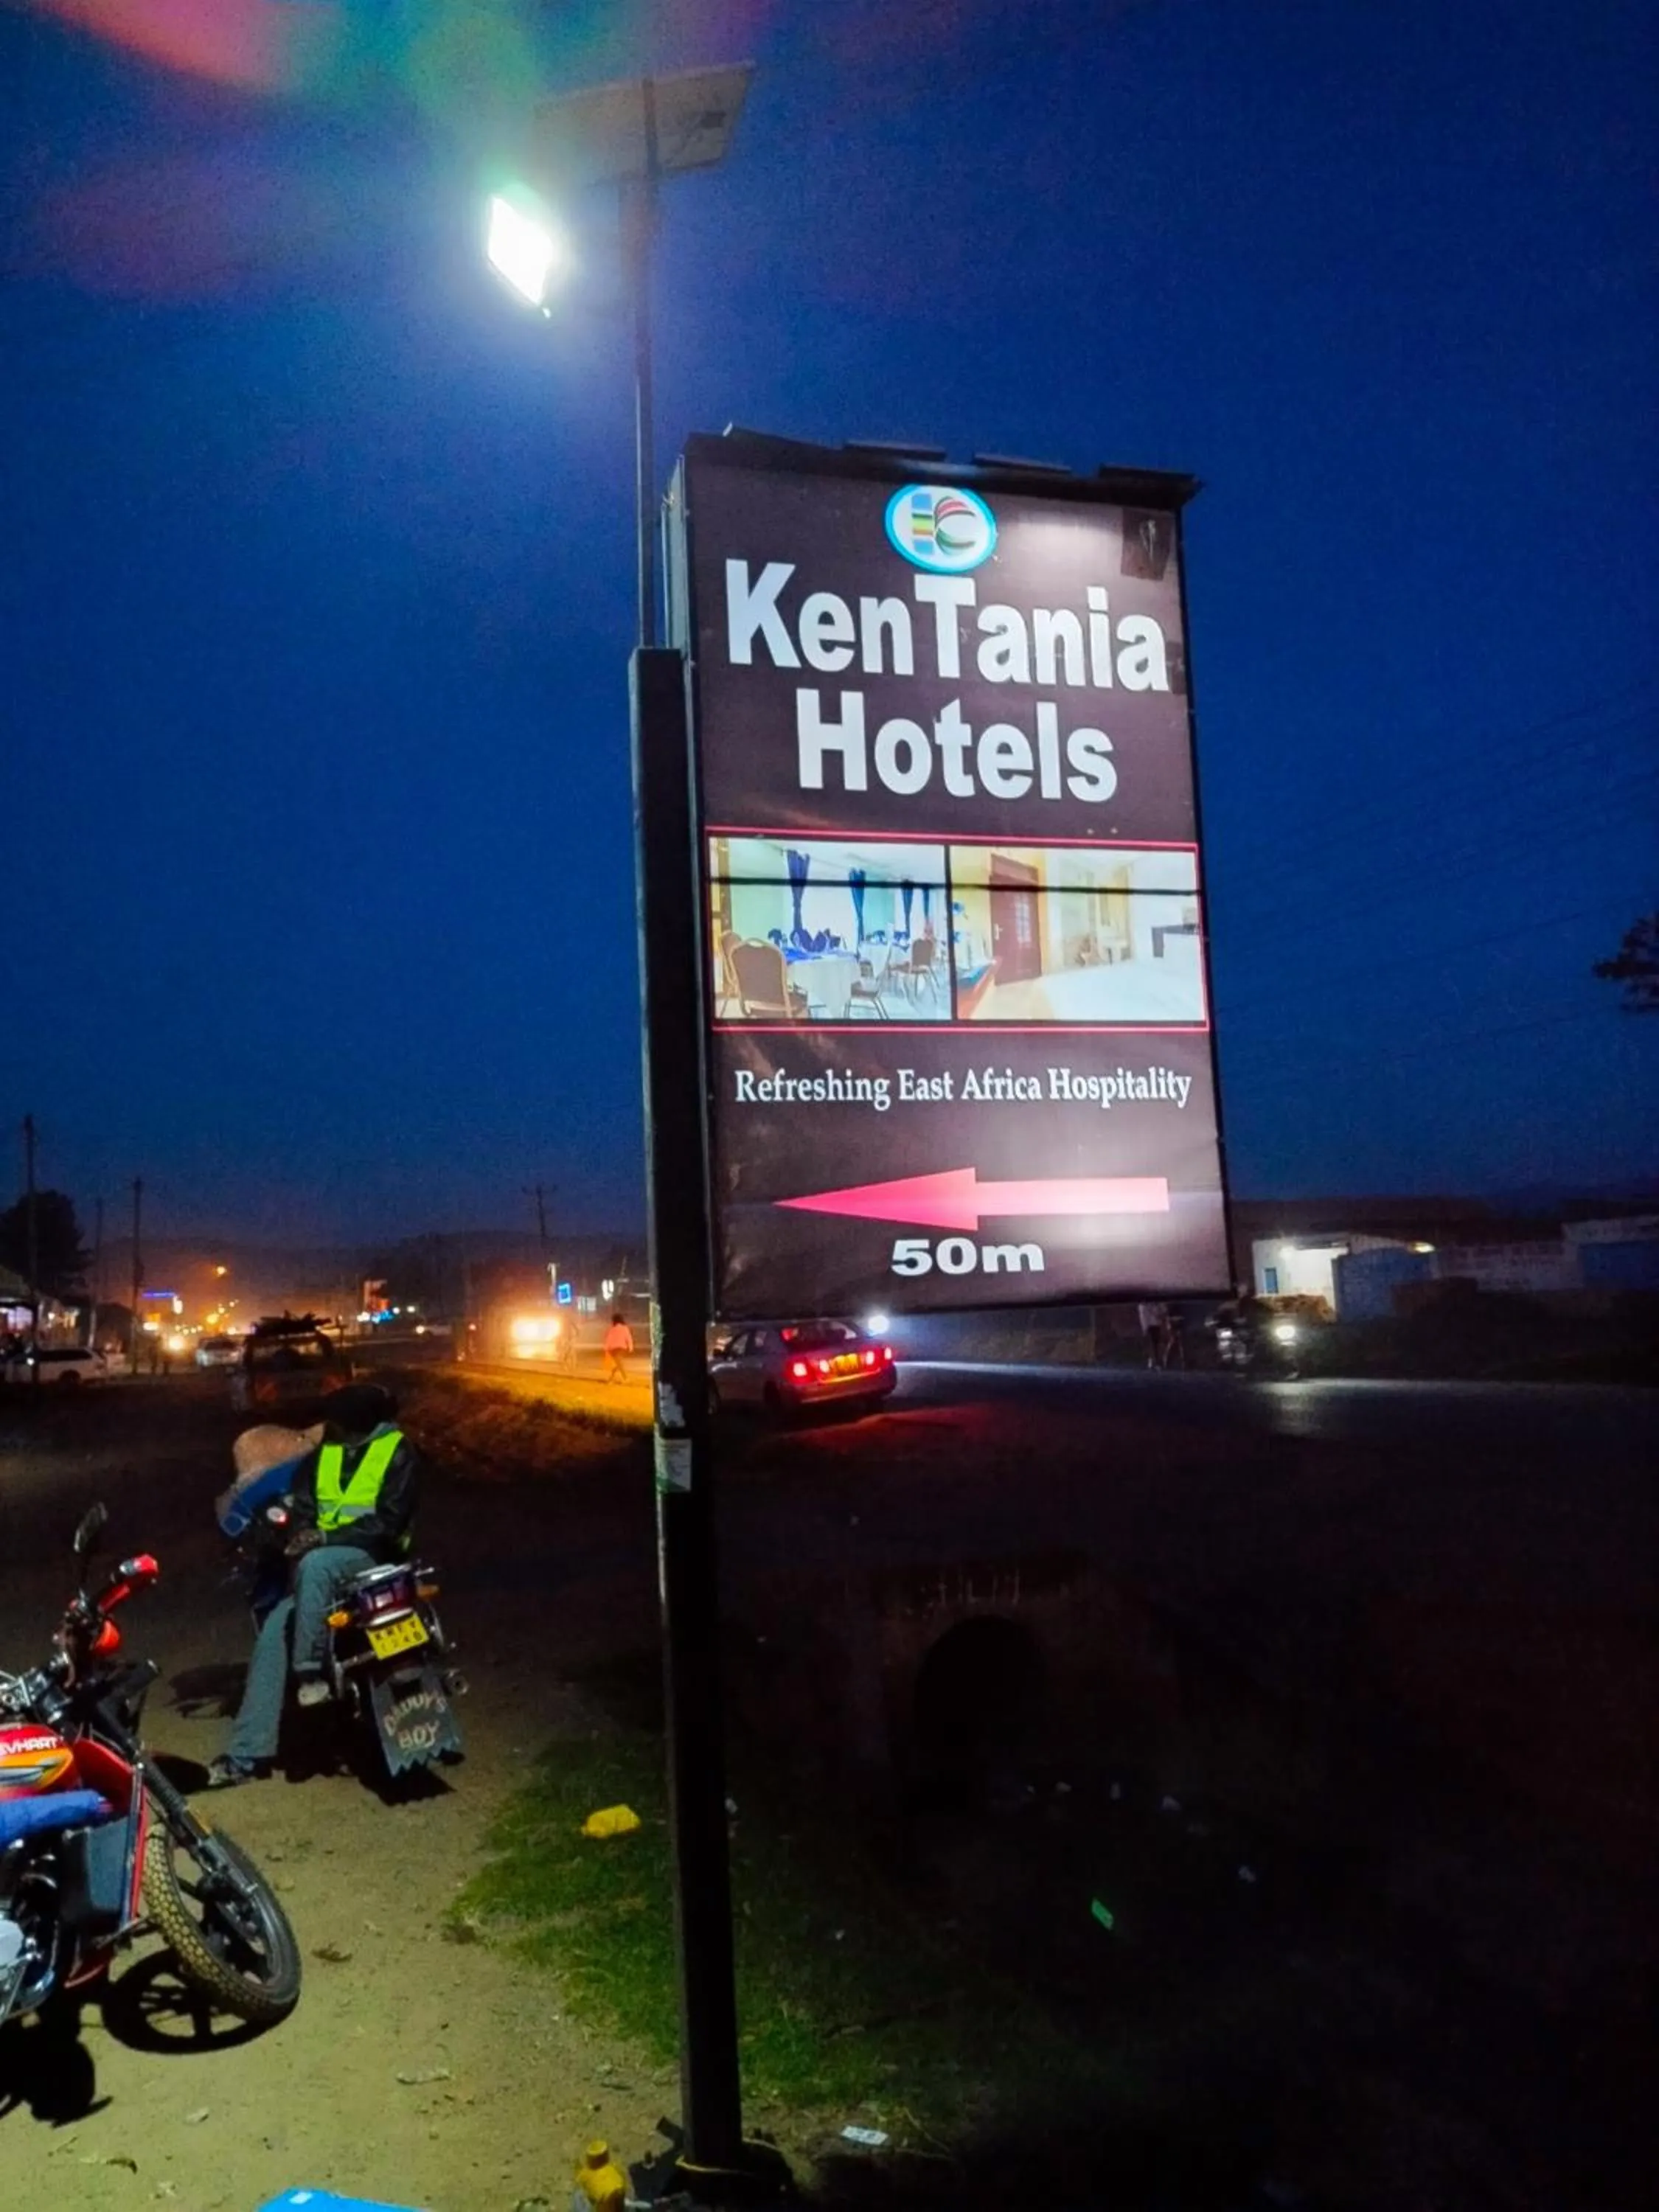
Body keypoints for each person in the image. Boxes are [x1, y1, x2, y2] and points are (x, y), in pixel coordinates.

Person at [207, 1384, 418, 1787]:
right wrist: (294, 1529)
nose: (330, 1426)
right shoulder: (330, 1453)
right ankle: (247, 1754)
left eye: (339, 1418)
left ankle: (310, 1676)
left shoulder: (399, 1452)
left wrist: (322, 1540)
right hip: (326, 1567)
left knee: (315, 1566)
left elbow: (389, 1523)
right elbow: (303, 1503)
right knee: (272, 1635)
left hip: (373, 1558)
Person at [602, 1311, 634, 1383]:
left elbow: (608, 1339)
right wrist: (630, 1347)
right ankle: (612, 1379)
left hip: (614, 1349)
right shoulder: (625, 1328)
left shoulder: (612, 1329)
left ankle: (625, 1378)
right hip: (622, 1348)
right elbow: (628, 1338)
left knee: (618, 1363)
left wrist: (606, 1348)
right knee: (618, 1363)